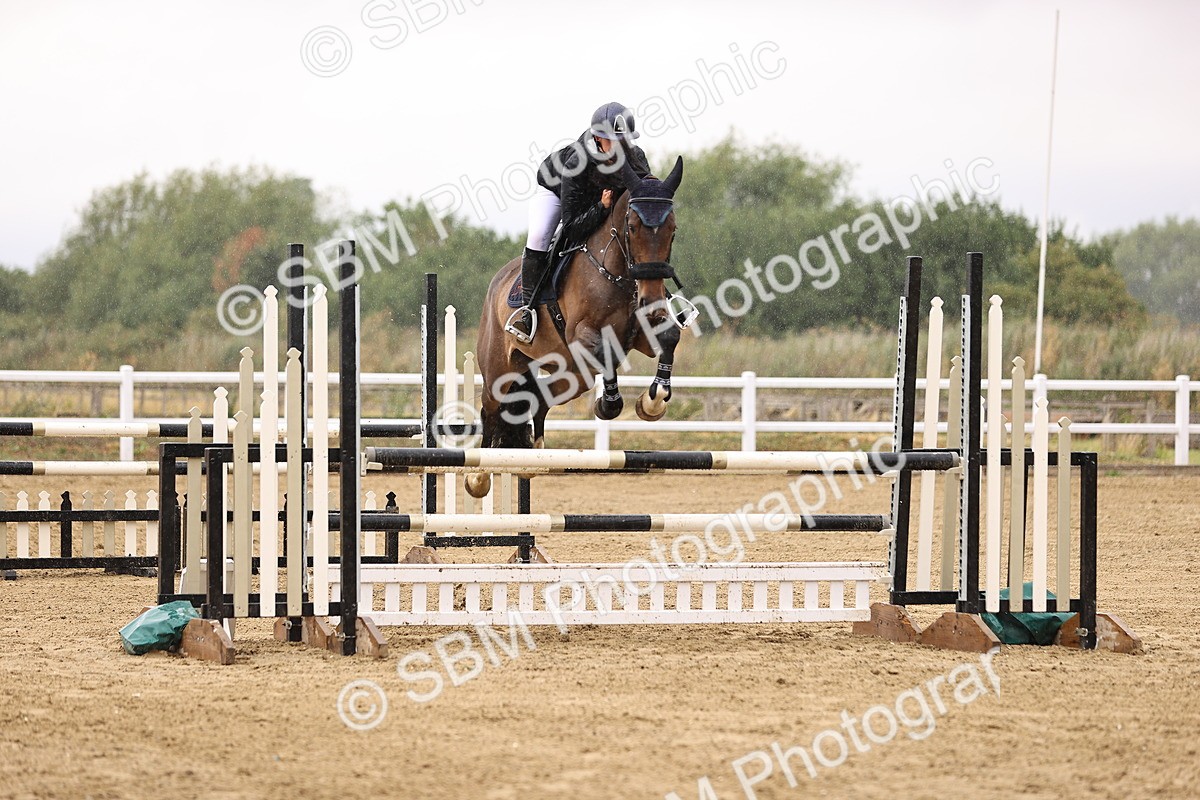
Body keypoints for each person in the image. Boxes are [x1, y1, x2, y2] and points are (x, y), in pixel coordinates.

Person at [505, 101, 654, 343]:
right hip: (557, 191)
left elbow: (644, 198)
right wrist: (601, 207)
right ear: (597, 138)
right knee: (539, 236)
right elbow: (572, 227)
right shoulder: (577, 162)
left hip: (599, 198)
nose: (619, 148)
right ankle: (527, 310)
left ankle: (660, 297)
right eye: (611, 142)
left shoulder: (636, 157)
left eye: (623, 141)